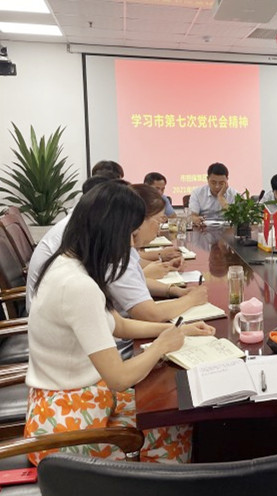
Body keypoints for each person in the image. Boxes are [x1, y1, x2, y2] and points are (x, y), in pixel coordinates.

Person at [24, 181, 215, 465]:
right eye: (131, 235)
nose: (132, 245)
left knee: (169, 410)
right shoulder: (78, 286)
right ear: (113, 230)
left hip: (78, 402)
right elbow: (119, 378)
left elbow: (120, 326)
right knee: (174, 428)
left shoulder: (71, 264)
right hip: (68, 429)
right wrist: (161, 346)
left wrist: (177, 330)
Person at [108, 184, 208, 323]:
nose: (159, 230)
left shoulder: (125, 249)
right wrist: (191, 299)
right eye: (159, 220)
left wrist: (173, 290)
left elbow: (136, 281)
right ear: (139, 220)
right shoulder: (117, 259)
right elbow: (150, 314)